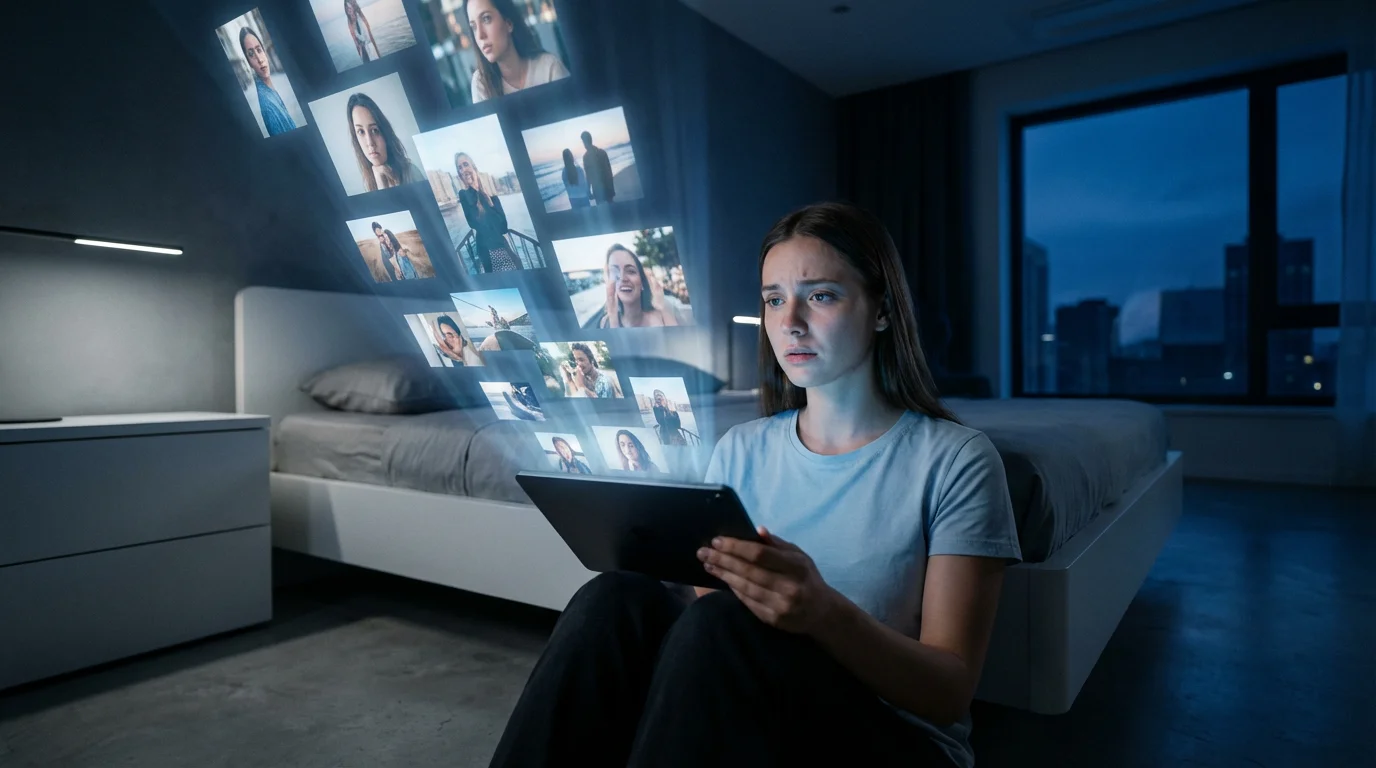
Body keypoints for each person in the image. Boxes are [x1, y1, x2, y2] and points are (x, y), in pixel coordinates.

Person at [487, 201, 1022, 768]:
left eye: (821, 296)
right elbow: (712, 626)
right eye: (773, 300)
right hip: (754, 711)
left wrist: (822, 612)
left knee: (719, 623)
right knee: (614, 597)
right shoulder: (741, 449)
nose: (790, 322)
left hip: (892, 739)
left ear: (882, 310)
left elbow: (948, 692)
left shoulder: (956, 460)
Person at [465, 0, 569, 102]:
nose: (480, 35)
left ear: (509, 23)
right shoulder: (481, 82)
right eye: (474, 27)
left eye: (486, 19)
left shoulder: (549, 68)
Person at [453, 152, 520, 272]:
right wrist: (474, 188)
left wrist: (488, 199)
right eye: (460, 168)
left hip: (501, 246)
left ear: (474, 167)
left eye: (465, 164)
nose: (463, 170)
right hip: (487, 249)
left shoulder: (491, 194)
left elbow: (503, 227)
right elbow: (474, 223)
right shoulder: (464, 195)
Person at [346, 93, 424, 192]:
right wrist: (380, 184)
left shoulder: (411, 172)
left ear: (385, 133)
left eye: (374, 130)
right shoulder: (367, 182)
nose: (370, 142)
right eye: (361, 132)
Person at [600, 245, 680, 328]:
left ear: (642, 282)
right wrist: (613, 320)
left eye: (631, 271)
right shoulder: (605, 323)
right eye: (615, 271)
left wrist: (663, 307)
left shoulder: (663, 317)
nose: (623, 278)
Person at [239, 28, 297, 136]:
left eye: (259, 50)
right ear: (249, 63)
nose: (259, 59)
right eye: (251, 54)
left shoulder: (268, 89)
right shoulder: (268, 107)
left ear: (264, 52)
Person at [581, 131, 615, 205]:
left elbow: (588, 176)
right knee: (612, 207)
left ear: (585, 142)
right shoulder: (602, 152)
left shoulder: (586, 157)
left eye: (583, 142)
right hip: (607, 185)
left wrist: (588, 190)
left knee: (601, 209)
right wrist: (611, 188)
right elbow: (609, 171)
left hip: (597, 189)